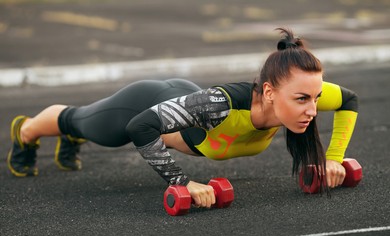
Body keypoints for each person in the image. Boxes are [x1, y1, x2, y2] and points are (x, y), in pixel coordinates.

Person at [7, 28, 358, 208]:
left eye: (314, 98)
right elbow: (141, 126)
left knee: (87, 129)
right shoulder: (219, 105)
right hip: (146, 102)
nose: (312, 109)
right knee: (84, 122)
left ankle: (72, 139)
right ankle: (25, 131)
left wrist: (334, 158)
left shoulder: (301, 91)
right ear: (269, 92)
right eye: (302, 100)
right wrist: (181, 181)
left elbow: (349, 100)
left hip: (186, 98)